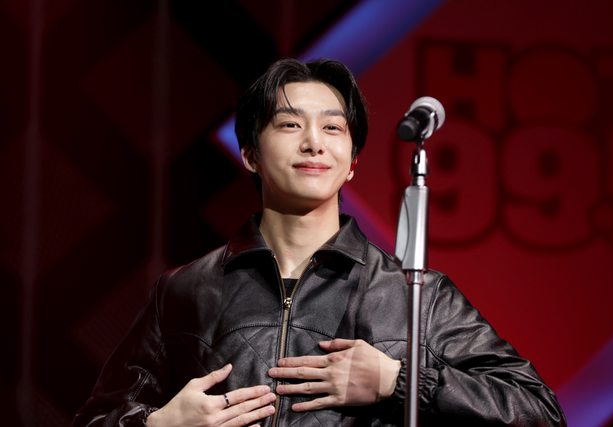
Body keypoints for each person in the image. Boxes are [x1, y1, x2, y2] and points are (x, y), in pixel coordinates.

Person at [73, 57, 567, 426]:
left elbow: (538, 412)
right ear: (250, 154)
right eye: (290, 124)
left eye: (333, 127)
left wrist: (398, 381)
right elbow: (96, 417)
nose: (314, 142)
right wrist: (157, 425)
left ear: (351, 163)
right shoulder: (184, 290)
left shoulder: (415, 294)